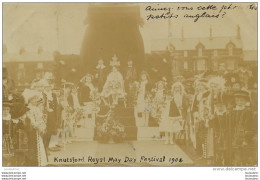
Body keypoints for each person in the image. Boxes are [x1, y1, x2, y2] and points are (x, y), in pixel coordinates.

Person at [227, 90, 257, 166]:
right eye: (237, 100)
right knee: (236, 155)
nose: (239, 102)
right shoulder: (233, 111)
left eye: (241, 100)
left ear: (245, 101)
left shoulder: (248, 111)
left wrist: (246, 139)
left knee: (245, 156)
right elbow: (231, 125)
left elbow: (250, 126)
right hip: (235, 137)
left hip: (244, 136)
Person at [22, 89, 48, 166]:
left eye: (36, 99)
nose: (36, 100)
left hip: (38, 129)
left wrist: (42, 127)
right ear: (31, 100)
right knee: (34, 146)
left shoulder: (36, 108)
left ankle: (39, 162)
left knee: (39, 144)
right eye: (35, 99)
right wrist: (38, 127)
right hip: (33, 130)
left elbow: (40, 119)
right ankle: (35, 162)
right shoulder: (29, 108)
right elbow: (32, 120)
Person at [3, 97, 14, 166]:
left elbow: (12, 129)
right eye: (4, 110)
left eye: (7, 110)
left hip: (9, 138)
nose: (6, 111)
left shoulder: (10, 118)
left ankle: (8, 163)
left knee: (9, 151)